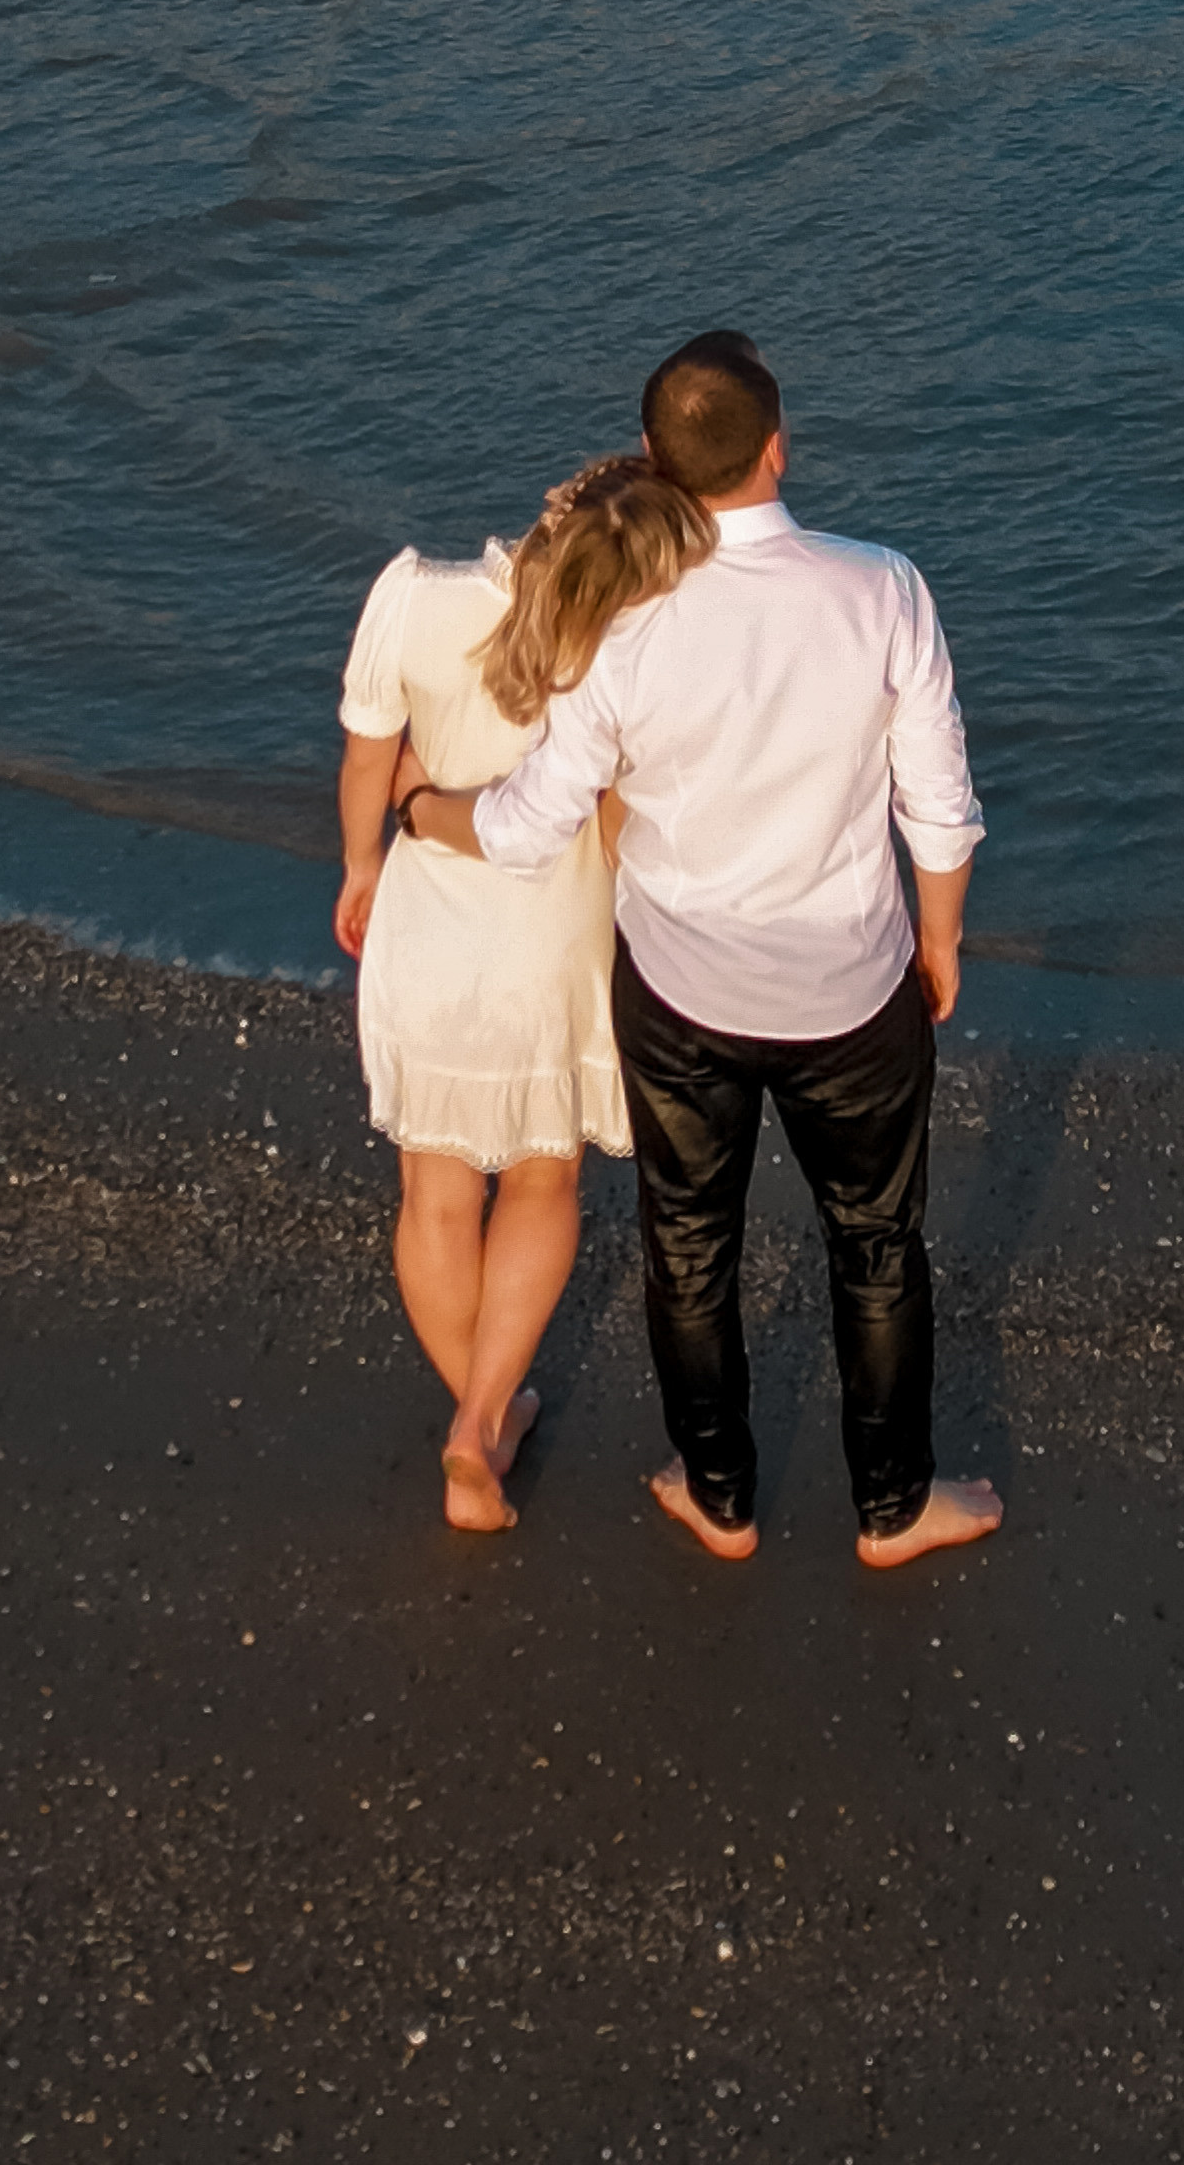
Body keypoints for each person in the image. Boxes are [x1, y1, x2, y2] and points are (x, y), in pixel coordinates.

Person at [398, 332, 1000, 1570]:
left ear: (658, 468)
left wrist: (420, 810)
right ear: (778, 446)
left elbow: (529, 826)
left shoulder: (622, 622)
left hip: (679, 995)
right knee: (875, 1245)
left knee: (687, 1244)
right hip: (850, 983)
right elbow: (935, 803)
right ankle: (892, 1507)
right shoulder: (883, 587)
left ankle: (717, 1491)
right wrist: (936, 941)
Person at [336, 455, 715, 1531]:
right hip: (553, 935)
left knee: (435, 1193)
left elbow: (370, 763)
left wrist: (362, 863)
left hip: (431, 917)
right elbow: (620, 819)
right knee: (542, 1183)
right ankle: (481, 1419)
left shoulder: (412, 597)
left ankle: (480, 1415)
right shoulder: (630, 641)